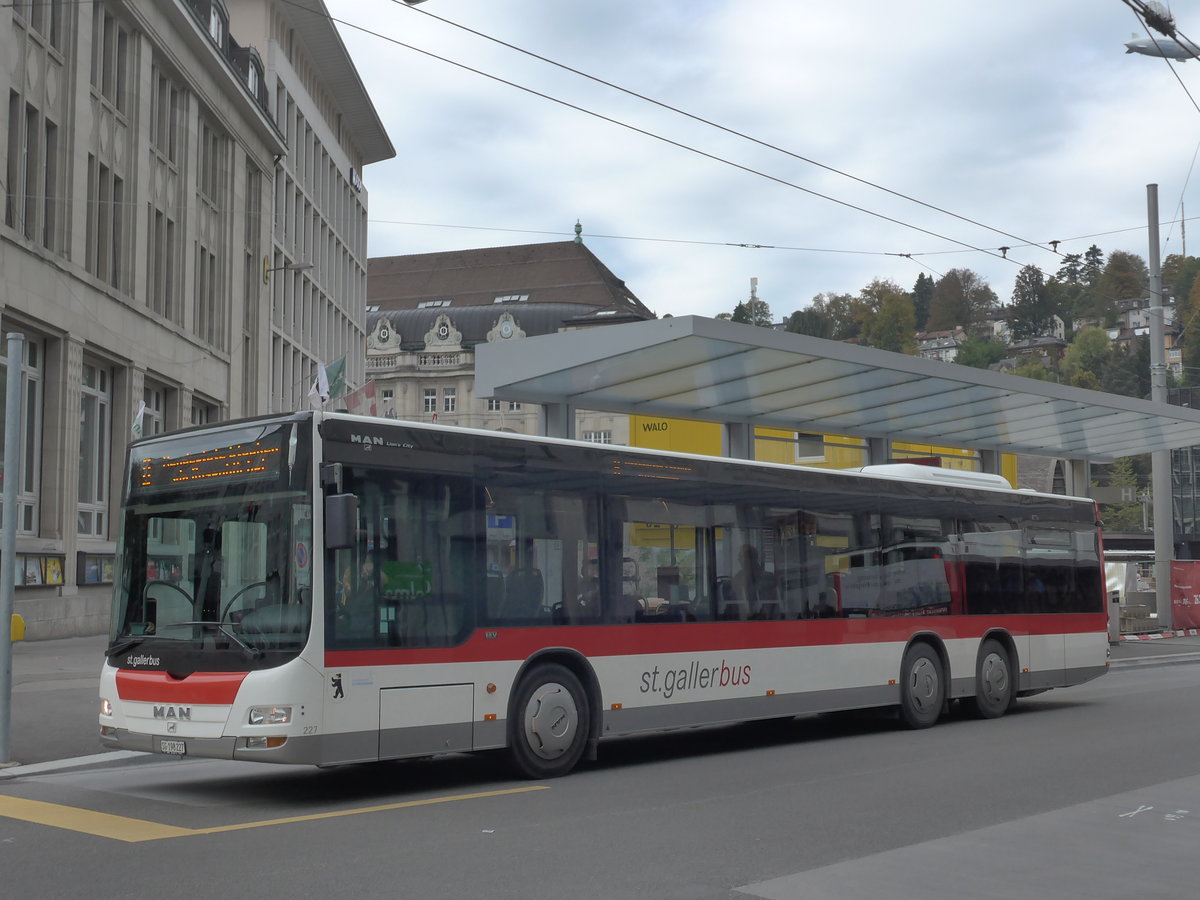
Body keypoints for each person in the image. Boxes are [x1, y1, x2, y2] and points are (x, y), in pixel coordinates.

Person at [733, 544, 775, 617]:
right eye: (739, 557)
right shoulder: (738, 577)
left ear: (752, 558)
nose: (739, 559)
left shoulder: (768, 578)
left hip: (764, 619)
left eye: (741, 557)